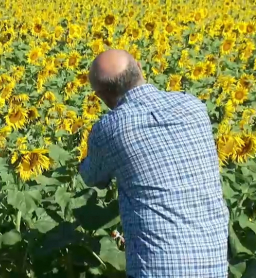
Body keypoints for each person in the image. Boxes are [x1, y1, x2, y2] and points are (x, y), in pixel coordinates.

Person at [79, 49, 229, 278]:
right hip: (214, 263)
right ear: (139, 67)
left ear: (100, 96)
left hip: (158, 268)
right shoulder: (194, 106)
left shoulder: (109, 129)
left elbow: (92, 177)